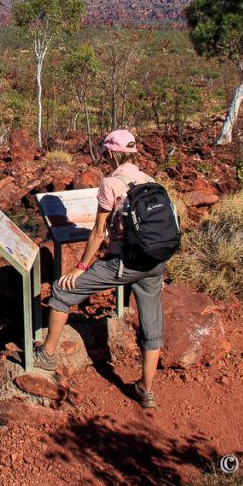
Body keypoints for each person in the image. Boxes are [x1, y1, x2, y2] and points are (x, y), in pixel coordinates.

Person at [35, 129, 164, 409]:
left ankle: (47, 354)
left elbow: (98, 232)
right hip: (154, 262)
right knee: (152, 326)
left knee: (61, 291)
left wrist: (81, 267)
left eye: (106, 155)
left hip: (123, 263)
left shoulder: (110, 183)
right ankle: (146, 390)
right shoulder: (149, 180)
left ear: (113, 154)